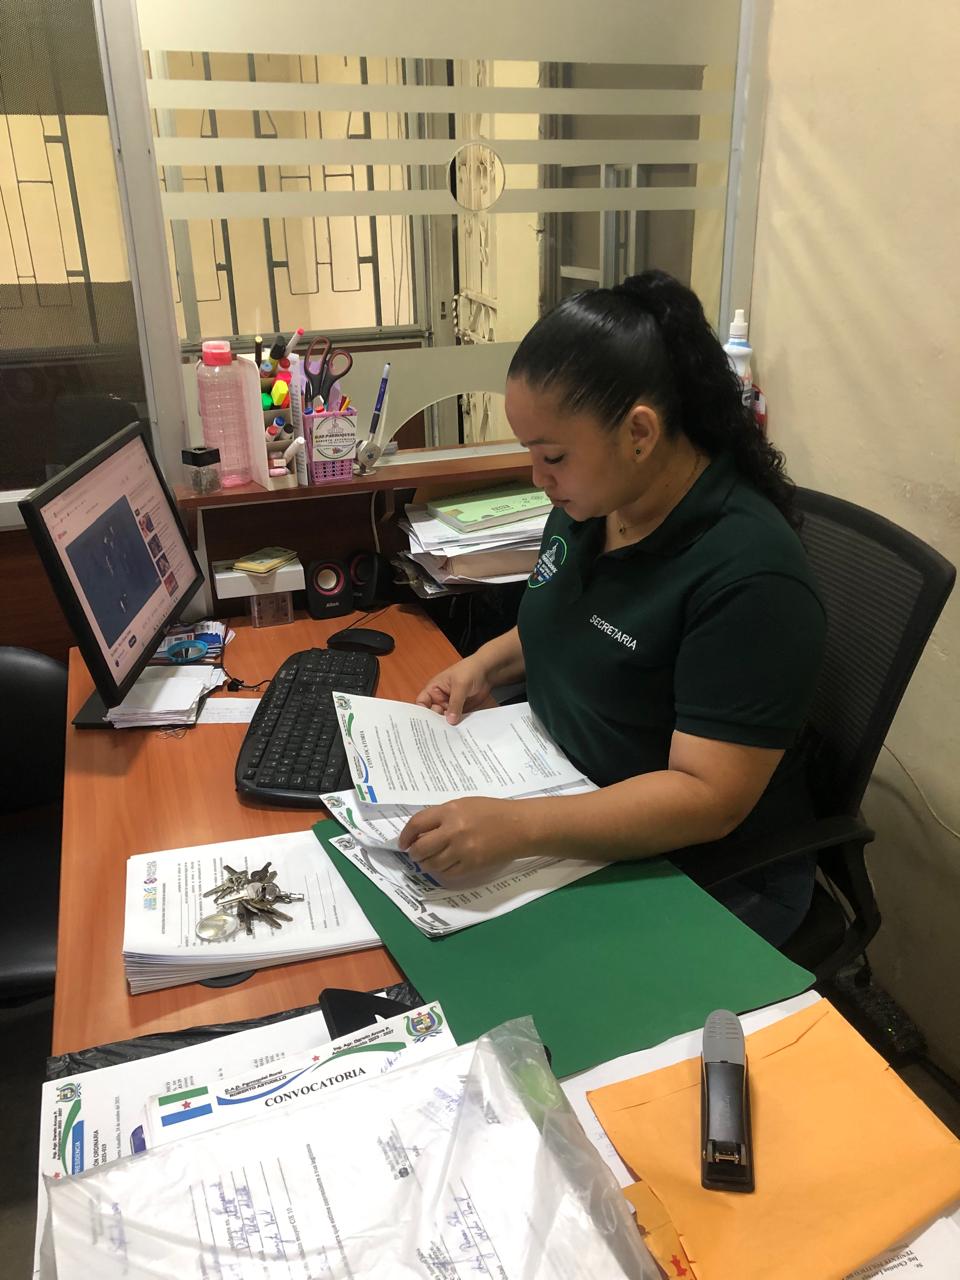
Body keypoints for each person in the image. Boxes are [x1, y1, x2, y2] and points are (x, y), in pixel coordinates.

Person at [400, 270, 827, 946]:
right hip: (562, 787)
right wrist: (482, 664)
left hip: (705, 871)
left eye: (552, 455)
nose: (538, 478)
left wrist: (519, 828)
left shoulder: (751, 576)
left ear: (639, 432)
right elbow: (569, 618)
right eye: (530, 453)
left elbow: (707, 798)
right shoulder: (594, 504)